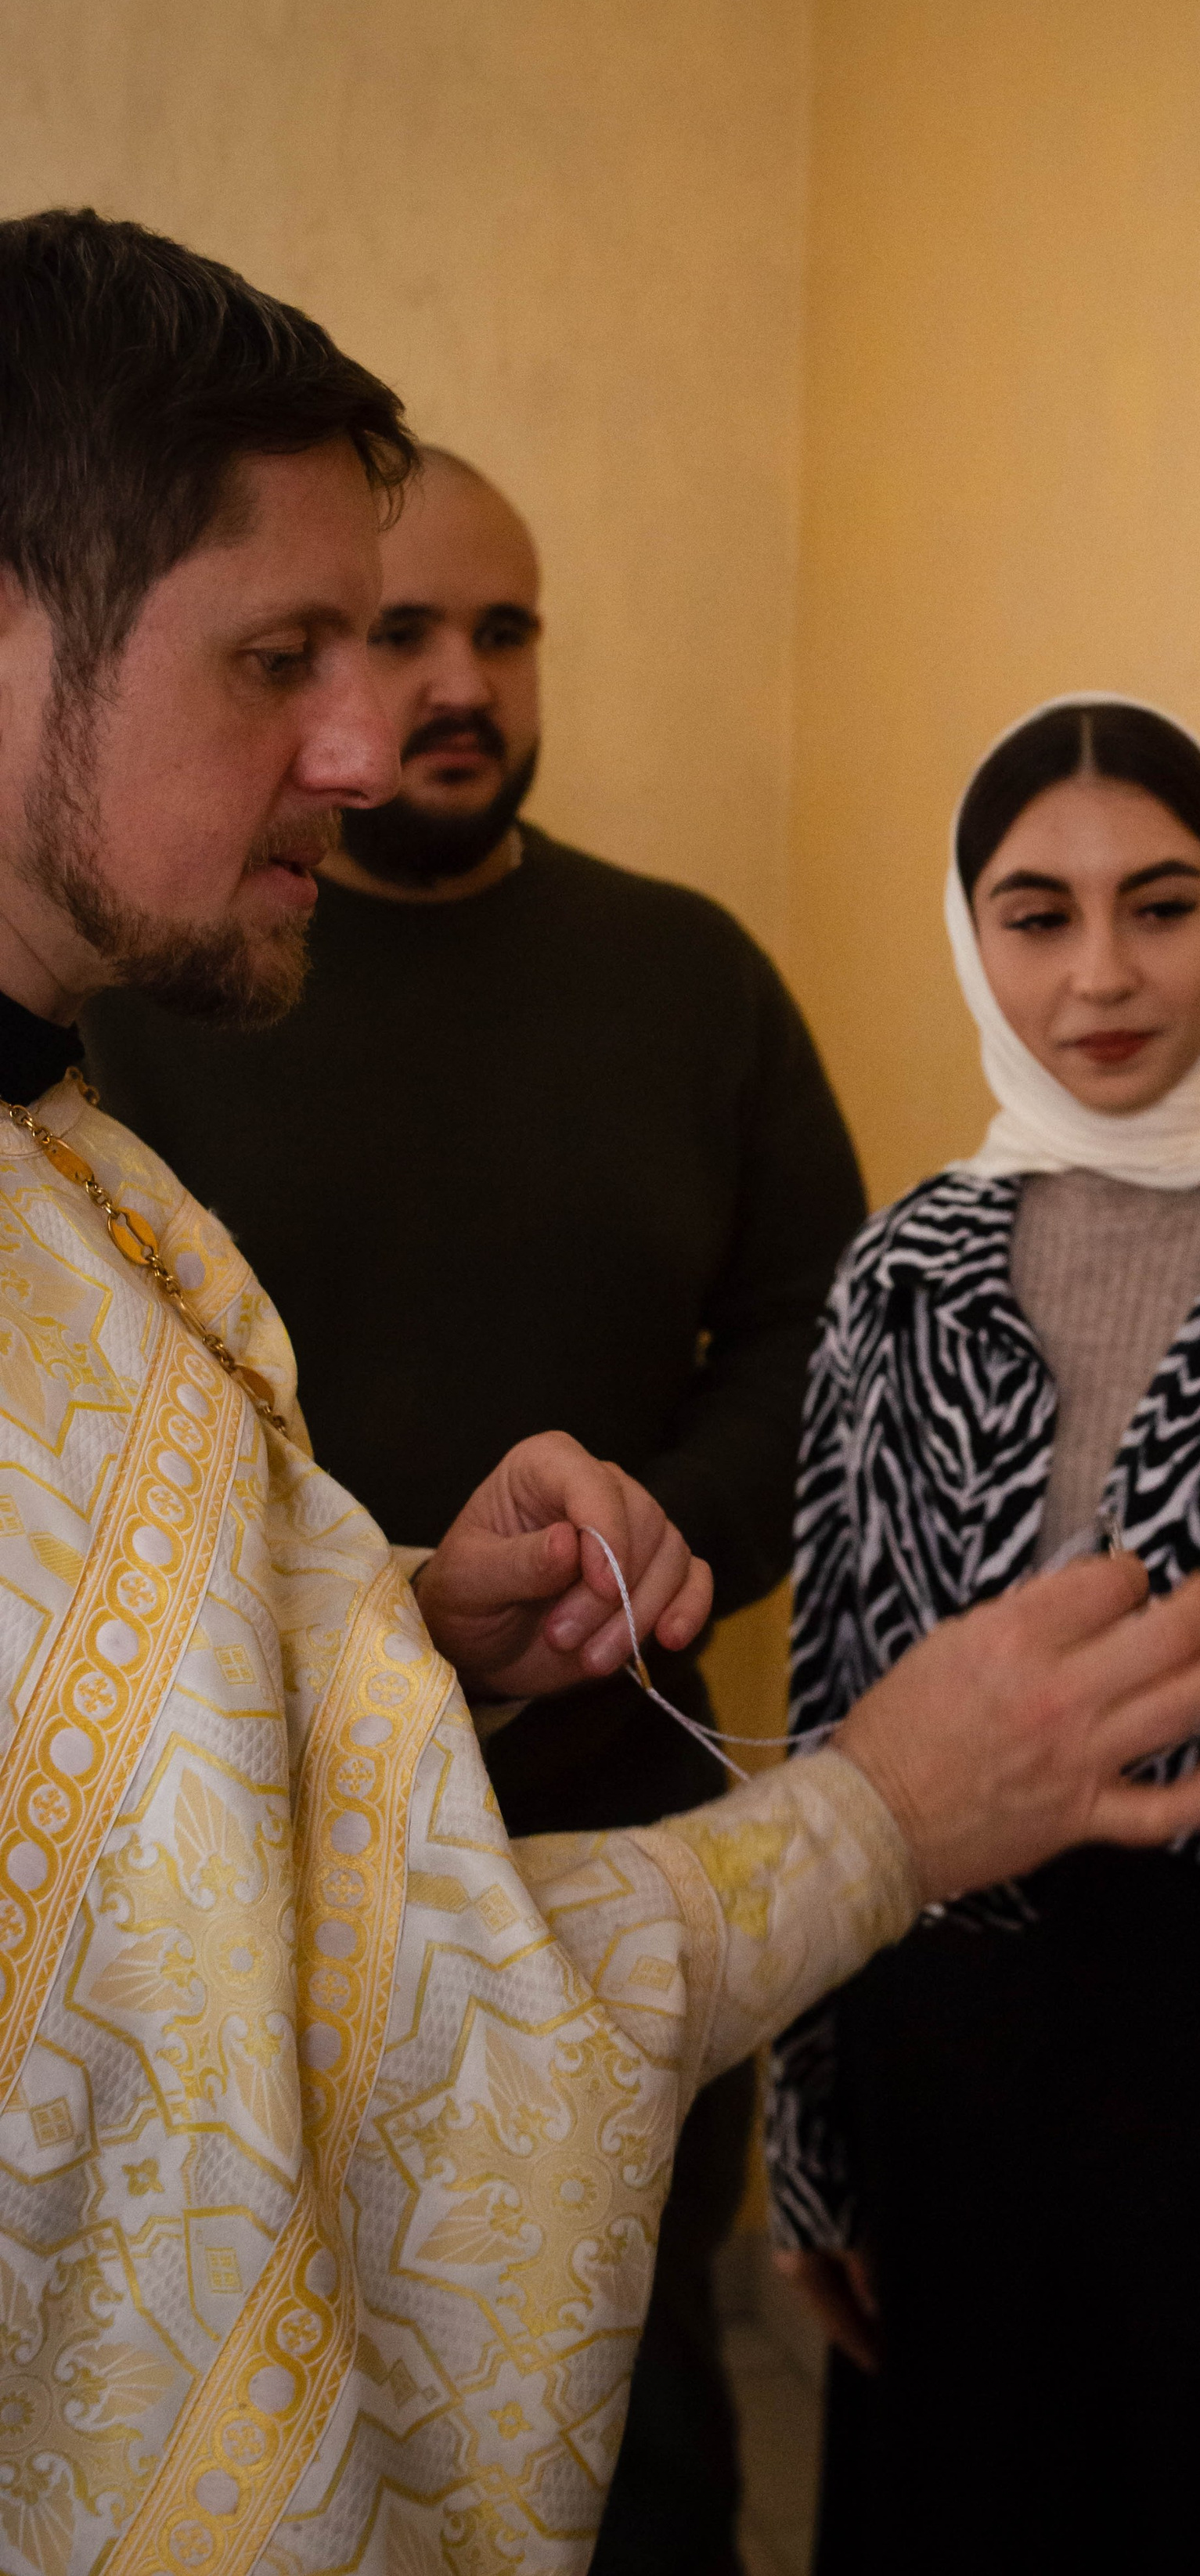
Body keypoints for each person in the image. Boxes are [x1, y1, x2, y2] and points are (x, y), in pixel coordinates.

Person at [0, 207, 1200, 2576]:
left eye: (457, 634)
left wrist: (405, 1617)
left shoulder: (71, 1167)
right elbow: (285, 2077)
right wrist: (885, 1805)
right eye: (286, 654)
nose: (369, 738)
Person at [78, 442, 866, 2574]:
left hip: (618, 1781)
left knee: (640, 2382)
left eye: (502, 631)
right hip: (231, 1839)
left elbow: (821, 1323)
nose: (449, 685)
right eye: (387, 632)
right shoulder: (172, 981)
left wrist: (662, 1535)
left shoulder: (687, 973)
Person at [762, 697, 1200, 2574]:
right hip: (937, 2036)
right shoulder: (895, 1274)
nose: (1099, 974)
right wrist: (808, 2128)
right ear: (967, 933)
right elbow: (833, 1706)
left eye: (1160, 905)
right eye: (1034, 912)